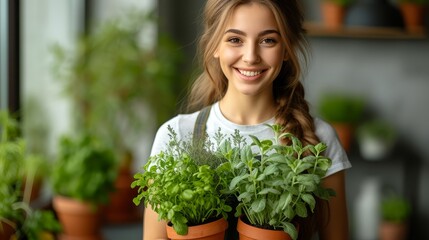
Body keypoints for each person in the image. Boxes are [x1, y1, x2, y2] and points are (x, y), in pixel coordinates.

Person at [143, 0, 351, 239]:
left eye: (268, 40)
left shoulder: (319, 140)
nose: (251, 57)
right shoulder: (177, 134)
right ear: (215, 45)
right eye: (235, 40)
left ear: (286, 48)